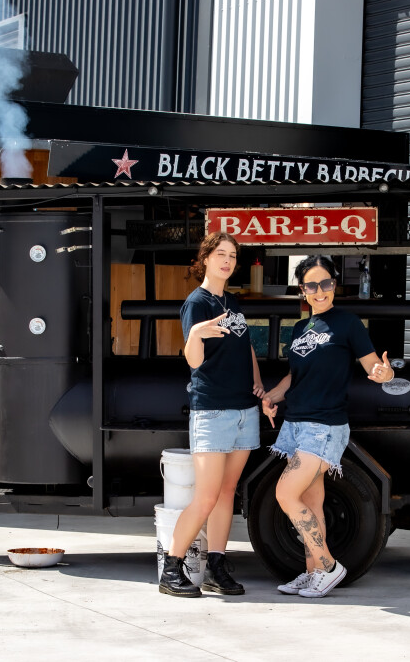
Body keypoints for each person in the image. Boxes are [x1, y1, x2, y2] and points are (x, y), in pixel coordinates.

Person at [261, 255, 393, 598]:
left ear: (334, 285)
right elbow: (295, 376)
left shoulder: (347, 324)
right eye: (312, 285)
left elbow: (373, 366)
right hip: (296, 423)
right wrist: (271, 396)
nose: (320, 291)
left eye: (326, 283)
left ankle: (329, 565)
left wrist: (384, 373)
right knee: (311, 501)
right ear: (302, 290)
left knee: (285, 493)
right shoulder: (299, 329)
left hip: (324, 426)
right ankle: (313, 572)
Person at [159, 231, 265, 598]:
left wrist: (257, 383)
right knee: (205, 497)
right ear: (205, 258)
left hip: (244, 409)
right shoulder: (197, 303)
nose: (227, 261)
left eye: (232, 255)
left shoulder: (232, 301)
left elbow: (245, 347)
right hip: (213, 411)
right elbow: (194, 362)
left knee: (226, 492)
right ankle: (171, 570)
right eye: (220, 254)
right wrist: (196, 334)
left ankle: (216, 568)